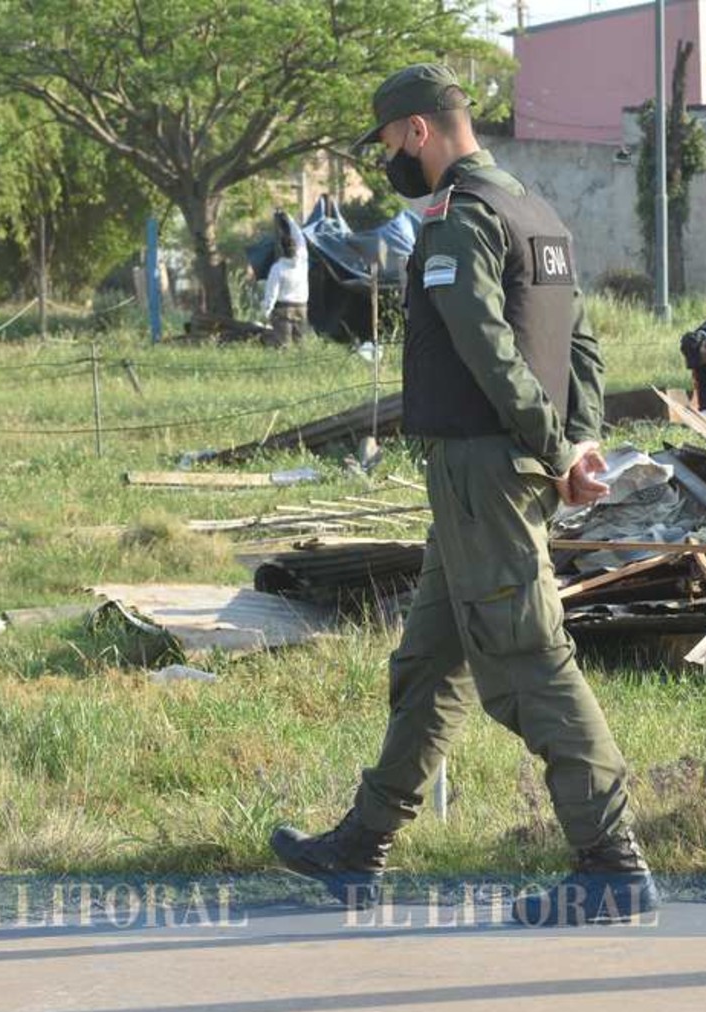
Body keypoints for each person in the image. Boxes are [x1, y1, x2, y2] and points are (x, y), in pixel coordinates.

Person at [269, 63, 657, 926]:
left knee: (526, 660)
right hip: (494, 474)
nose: (389, 165)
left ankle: (611, 864)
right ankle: (359, 847)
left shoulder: (456, 218)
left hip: (484, 470)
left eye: (388, 145)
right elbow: (579, 344)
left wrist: (558, 448)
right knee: (429, 665)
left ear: (416, 131)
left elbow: (484, 343)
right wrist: (579, 437)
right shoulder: (534, 212)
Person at [260, 211, 309, 346]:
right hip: (302, 307)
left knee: (282, 345)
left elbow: (271, 293)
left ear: (282, 249)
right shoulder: (303, 261)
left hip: (283, 308)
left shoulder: (278, 268)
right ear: (296, 249)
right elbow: (300, 238)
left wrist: (266, 312)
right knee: (300, 345)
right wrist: (290, 219)